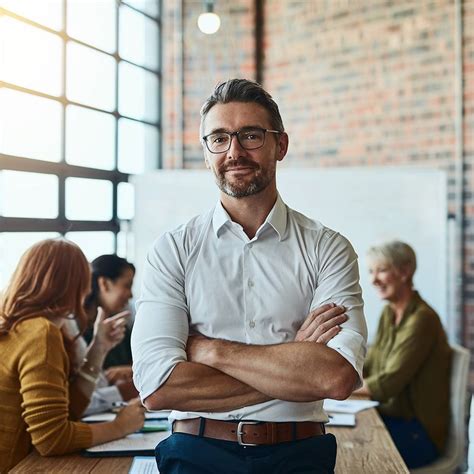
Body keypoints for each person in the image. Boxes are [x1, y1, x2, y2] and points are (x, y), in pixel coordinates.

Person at [131, 78, 367, 474]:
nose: (234, 151)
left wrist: (210, 350)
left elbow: (336, 377)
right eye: (219, 138)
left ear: (281, 145)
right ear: (207, 154)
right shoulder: (172, 250)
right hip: (195, 453)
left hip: (300, 455)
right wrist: (293, 356)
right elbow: (158, 388)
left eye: (251, 136)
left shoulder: (329, 248)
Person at [0, 239, 145, 472]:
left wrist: (99, 348)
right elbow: (51, 439)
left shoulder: (18, 324)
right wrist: (120, 426)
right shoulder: (41, 333)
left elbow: (67, 411)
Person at [354, 240, 451, 469]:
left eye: (382, 270)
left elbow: (388, 383)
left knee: (349, 451)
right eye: (371, 271)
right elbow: (371, 362)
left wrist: (336, 387)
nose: (373, 280)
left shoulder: (422, 319)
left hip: (418, 433)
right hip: (392, 419)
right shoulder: (390, 313)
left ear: (405, 271)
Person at [76, 254, 138, 414]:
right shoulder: (74, 330)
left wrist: (129, 370)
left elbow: (139, 362)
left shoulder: (120, 325)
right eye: (127, 285)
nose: (130, 295)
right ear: (104, 283)